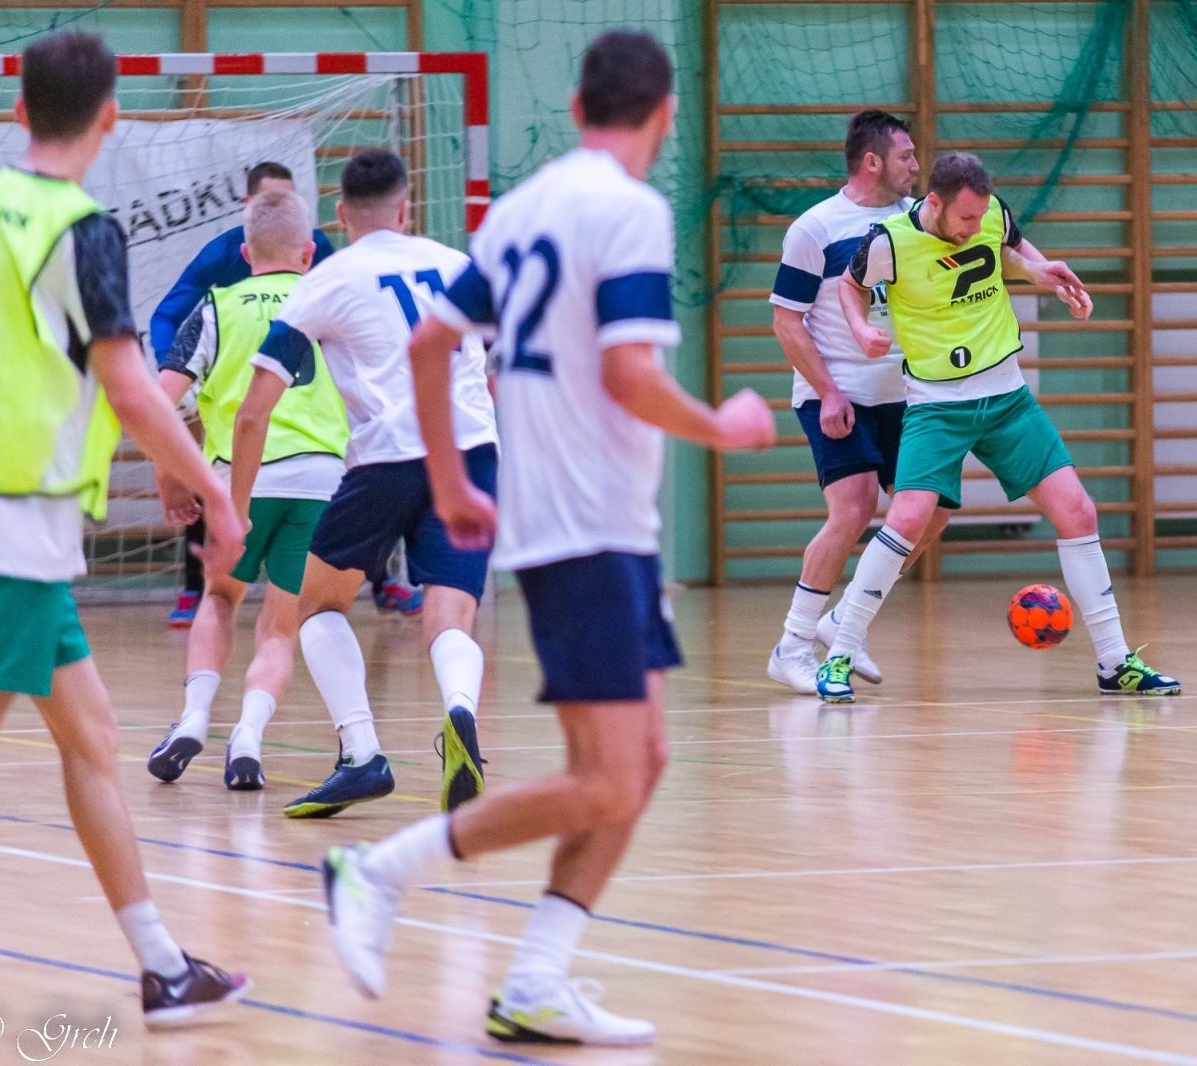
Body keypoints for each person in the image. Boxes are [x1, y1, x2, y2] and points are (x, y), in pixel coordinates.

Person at [319, 30, 774, 1046]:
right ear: (662, 116)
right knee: (609, 777)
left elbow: (434, 343)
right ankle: (377, 871)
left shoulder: (519, 209)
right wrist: (726, 425)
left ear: (576, 109)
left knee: (642, 759)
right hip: (587, 529)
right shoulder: (630, 211)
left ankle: (534, 977)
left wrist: (449, 480)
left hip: (594, 527)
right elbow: (628, 373)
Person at [0, 30, 249, 1024]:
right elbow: (128, 384)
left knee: (92, 736)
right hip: (3, 522)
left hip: (10, 525)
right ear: (113, 112)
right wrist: (210, 490)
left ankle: (162, 965)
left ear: (19, 107)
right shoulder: (76, 225)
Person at [818, 152, 1182, 702]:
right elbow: (849, 286)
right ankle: (840, 651)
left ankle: (1114, 661)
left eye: (979, 217)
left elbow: (1010, 246)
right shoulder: (888, 242)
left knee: (1078, 510)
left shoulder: (990, 215)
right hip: (937, 404)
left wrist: (1041, 270)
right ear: (933, 203)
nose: (973, 227)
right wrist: (860, 326)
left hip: (1007, 397)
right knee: (910, 516)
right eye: (963, 219)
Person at [235, 149, 495, 819]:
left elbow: (256, 406)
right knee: (450, 611)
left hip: (388, 456)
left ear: (339, 215)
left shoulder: (325, 279)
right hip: (470, 451)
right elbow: (497, 369)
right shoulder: (458, 265)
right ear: (407, 209)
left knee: (314, 605)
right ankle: (460, 712)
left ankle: (361, 754)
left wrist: (232, 509)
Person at [145, 189, 349, 791]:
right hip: (320, 480)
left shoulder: (218, 304)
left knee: (220, 600)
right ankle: (250, 737)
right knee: (281, 626)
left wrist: (170, 477)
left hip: (243, 478)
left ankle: (194, 718)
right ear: (309, 252)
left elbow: (161, 401)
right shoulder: (331, 306)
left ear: (243, 252)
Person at [765, 109, 948, 694]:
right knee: (853, 507)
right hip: (837, 392)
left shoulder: (917, 221)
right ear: (873, 162)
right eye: (906, 156)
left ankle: (845, 618)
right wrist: (827, 391)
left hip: (907, 396)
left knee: (934, 511)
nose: (916, 166)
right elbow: (786, 321)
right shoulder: (815, 228)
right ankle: (792, 645)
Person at [151, 161, 338, 628]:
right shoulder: (220, 258)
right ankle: (194, 583)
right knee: (196, 455)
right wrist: (177, 369)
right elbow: (167, 316)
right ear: (247, 208)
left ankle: (385, 577)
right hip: (246, 402)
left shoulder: (323, 258)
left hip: (278, 424)